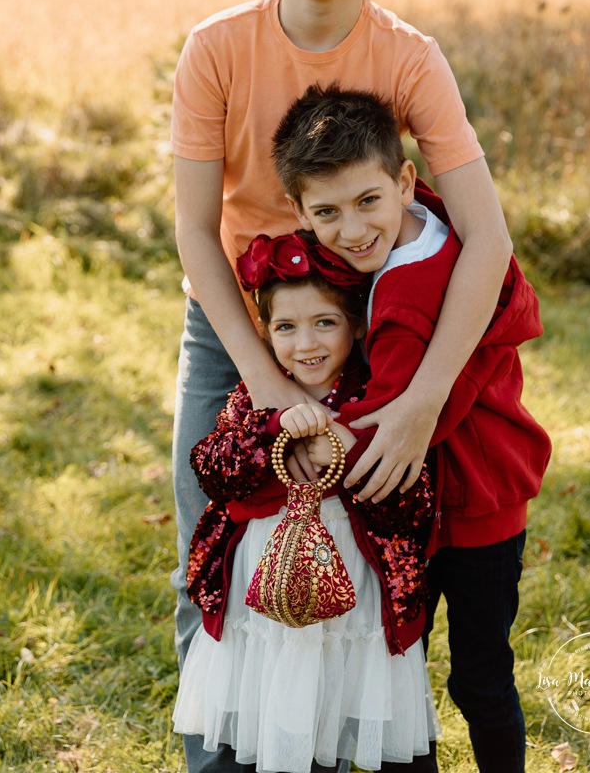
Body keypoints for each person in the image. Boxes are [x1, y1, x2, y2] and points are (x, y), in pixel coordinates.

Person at [170, 0, 512, 773]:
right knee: (217, 548)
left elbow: (489, 239)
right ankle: (221, 758)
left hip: (369, 330)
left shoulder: (408, 57)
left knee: (359, 568)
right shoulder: (215, 49)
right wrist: (265, 384)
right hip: (237, 326)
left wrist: (421, 402)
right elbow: (197, 232)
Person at [271, 84, 553, 773]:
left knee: (444, 678)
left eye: (367, 202)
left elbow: (384, 431)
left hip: (466, 503)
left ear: (402, 180)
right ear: (301, 211)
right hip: (480, 493)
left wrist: (294, 438)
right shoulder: (437, 219)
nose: (352, 229)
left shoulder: (403, 297)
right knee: (463, 673)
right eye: (327, 213)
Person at [172, 231, 439, 773]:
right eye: (286, 327)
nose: (306, 343)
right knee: (270, 707)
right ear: (265, 333)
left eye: (325, 322)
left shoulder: (374, 399)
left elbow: (413, 504)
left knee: (332, 706)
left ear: (356, 325)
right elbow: (213, 470)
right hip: (263, 592)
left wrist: (347, 452)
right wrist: (274, 435)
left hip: (353, 594)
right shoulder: (258, 396)